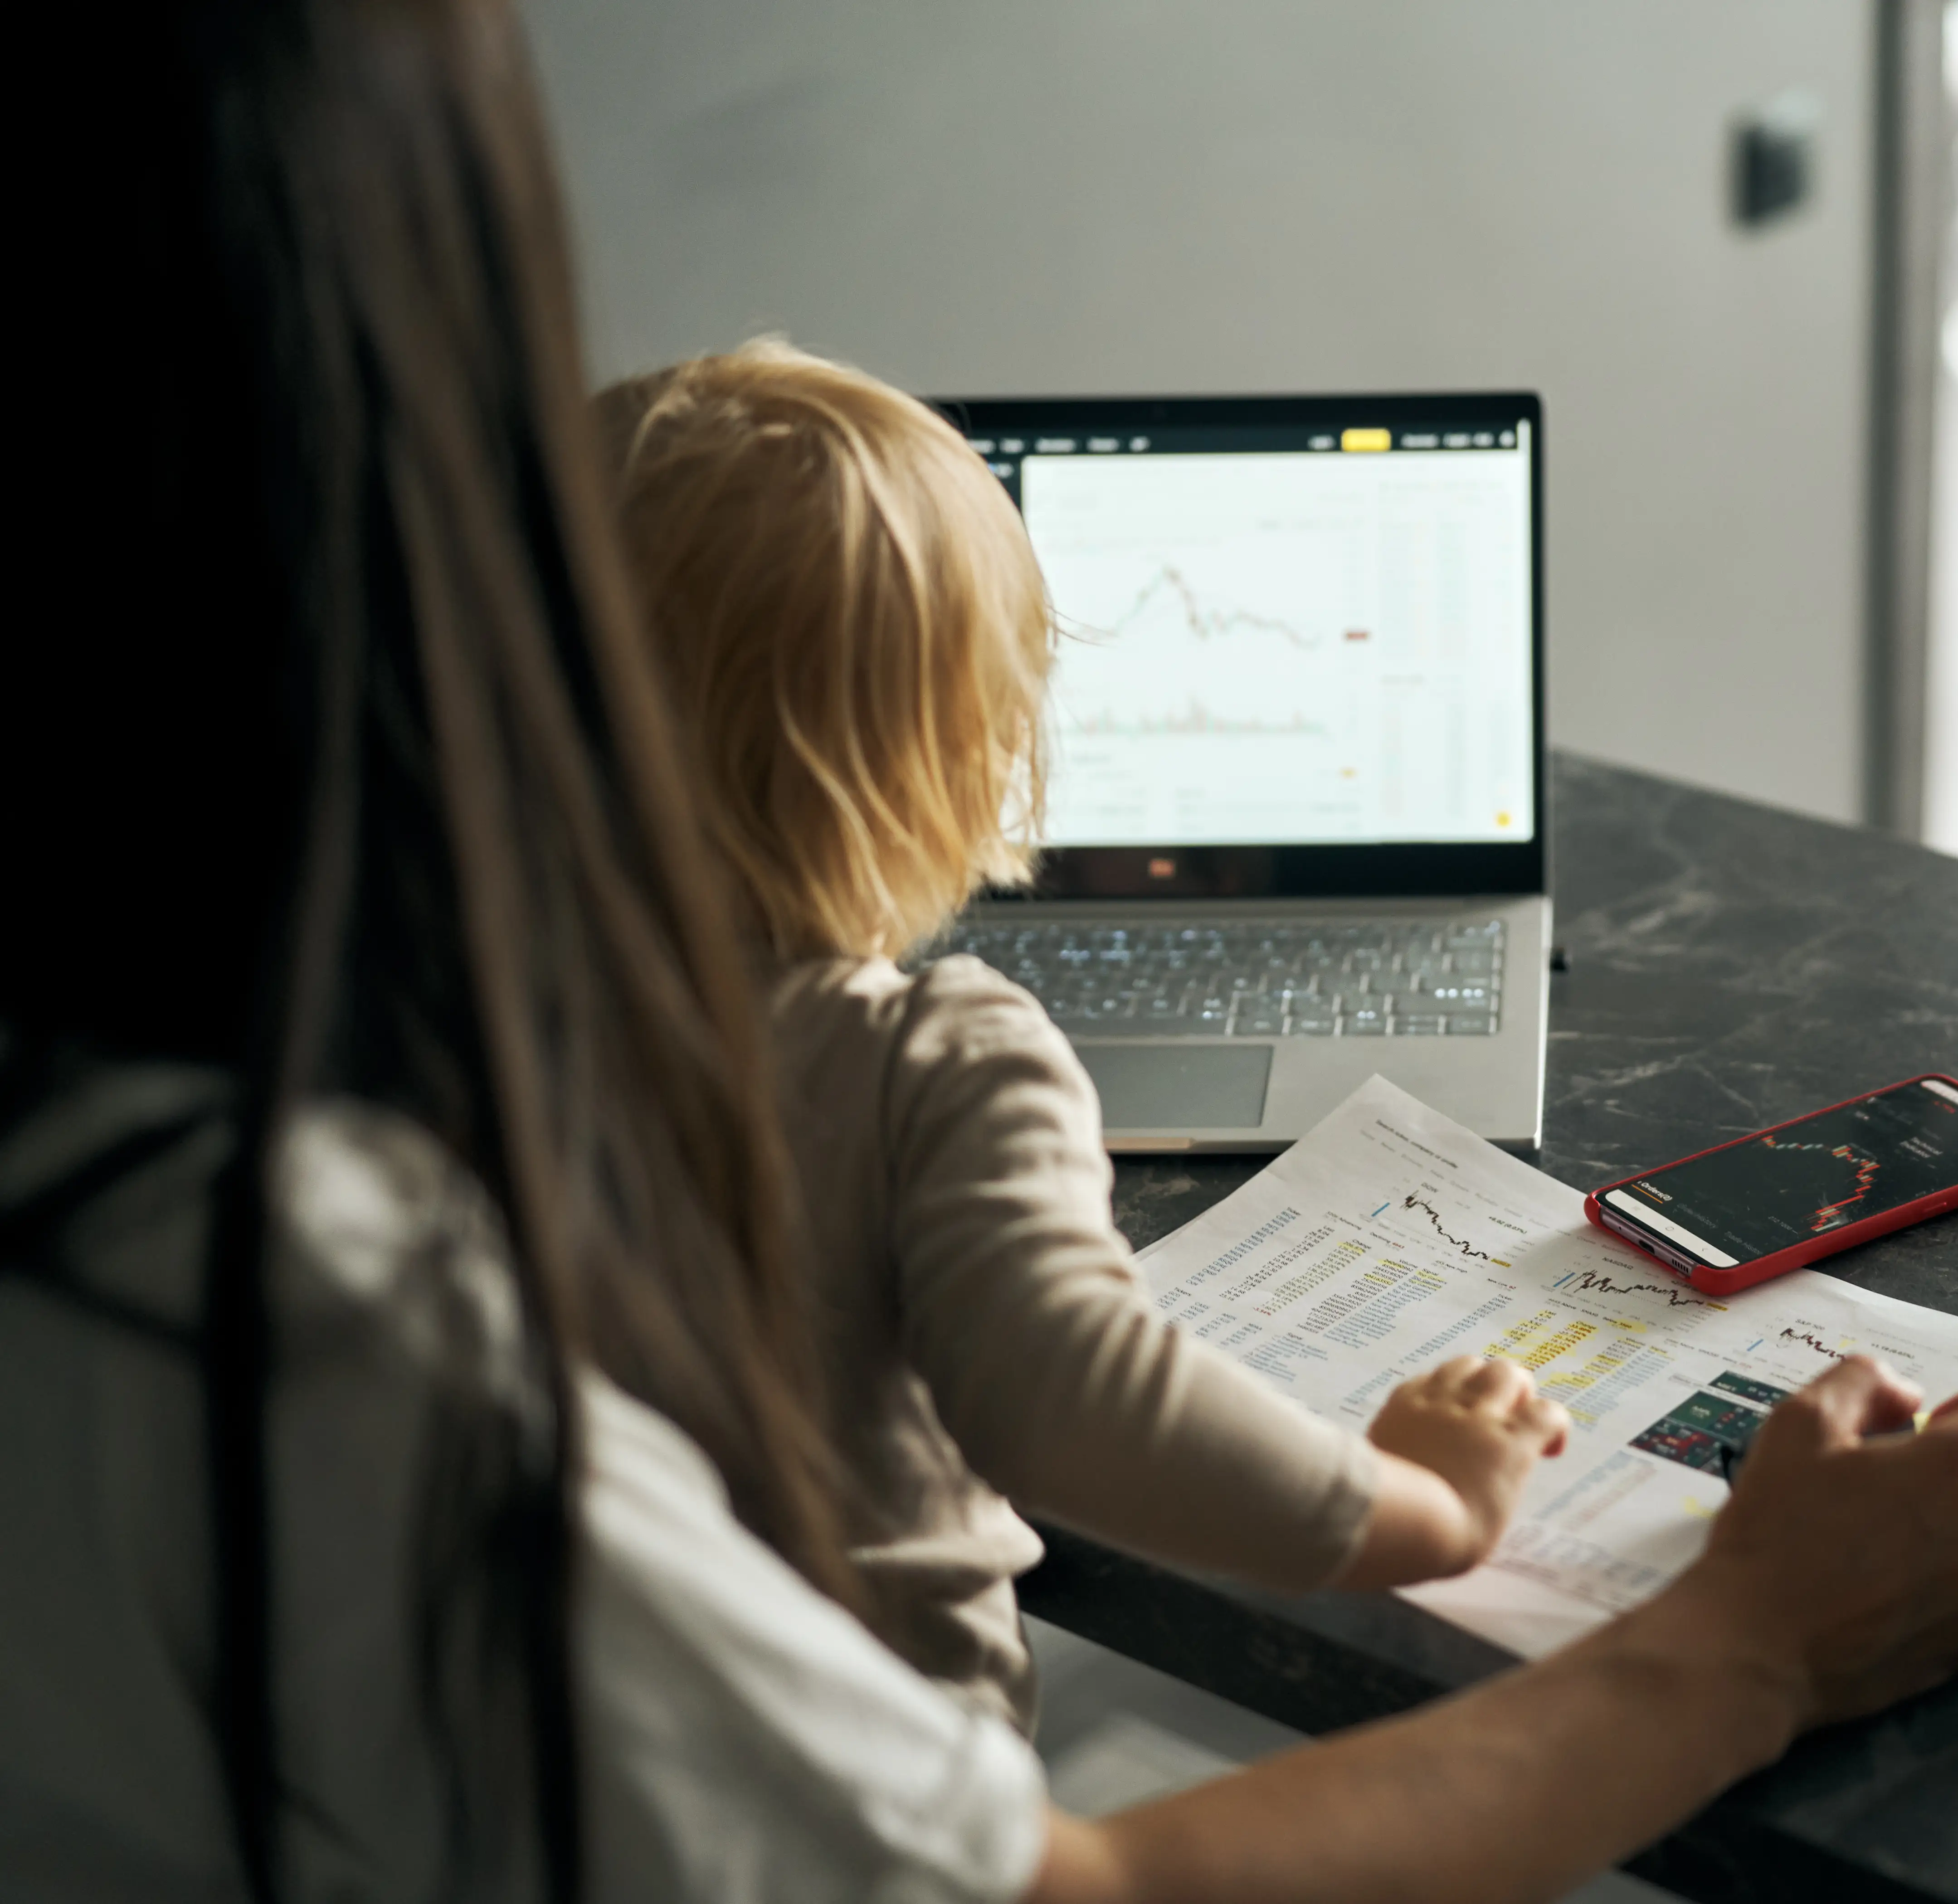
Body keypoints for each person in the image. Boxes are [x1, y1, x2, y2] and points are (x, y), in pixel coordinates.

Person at [0, 2, 1958, 1901]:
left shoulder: (464, 1042)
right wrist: (1464, 1524)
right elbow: (1073, 1460)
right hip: (927, 1737)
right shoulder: (392, 1283)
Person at [590, 341, 1566, 1731]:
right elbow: (1077, 1401)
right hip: (891, 1794)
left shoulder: (487, 1033)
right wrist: (1429, 1505)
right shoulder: (933, 1061)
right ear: (954, 763)